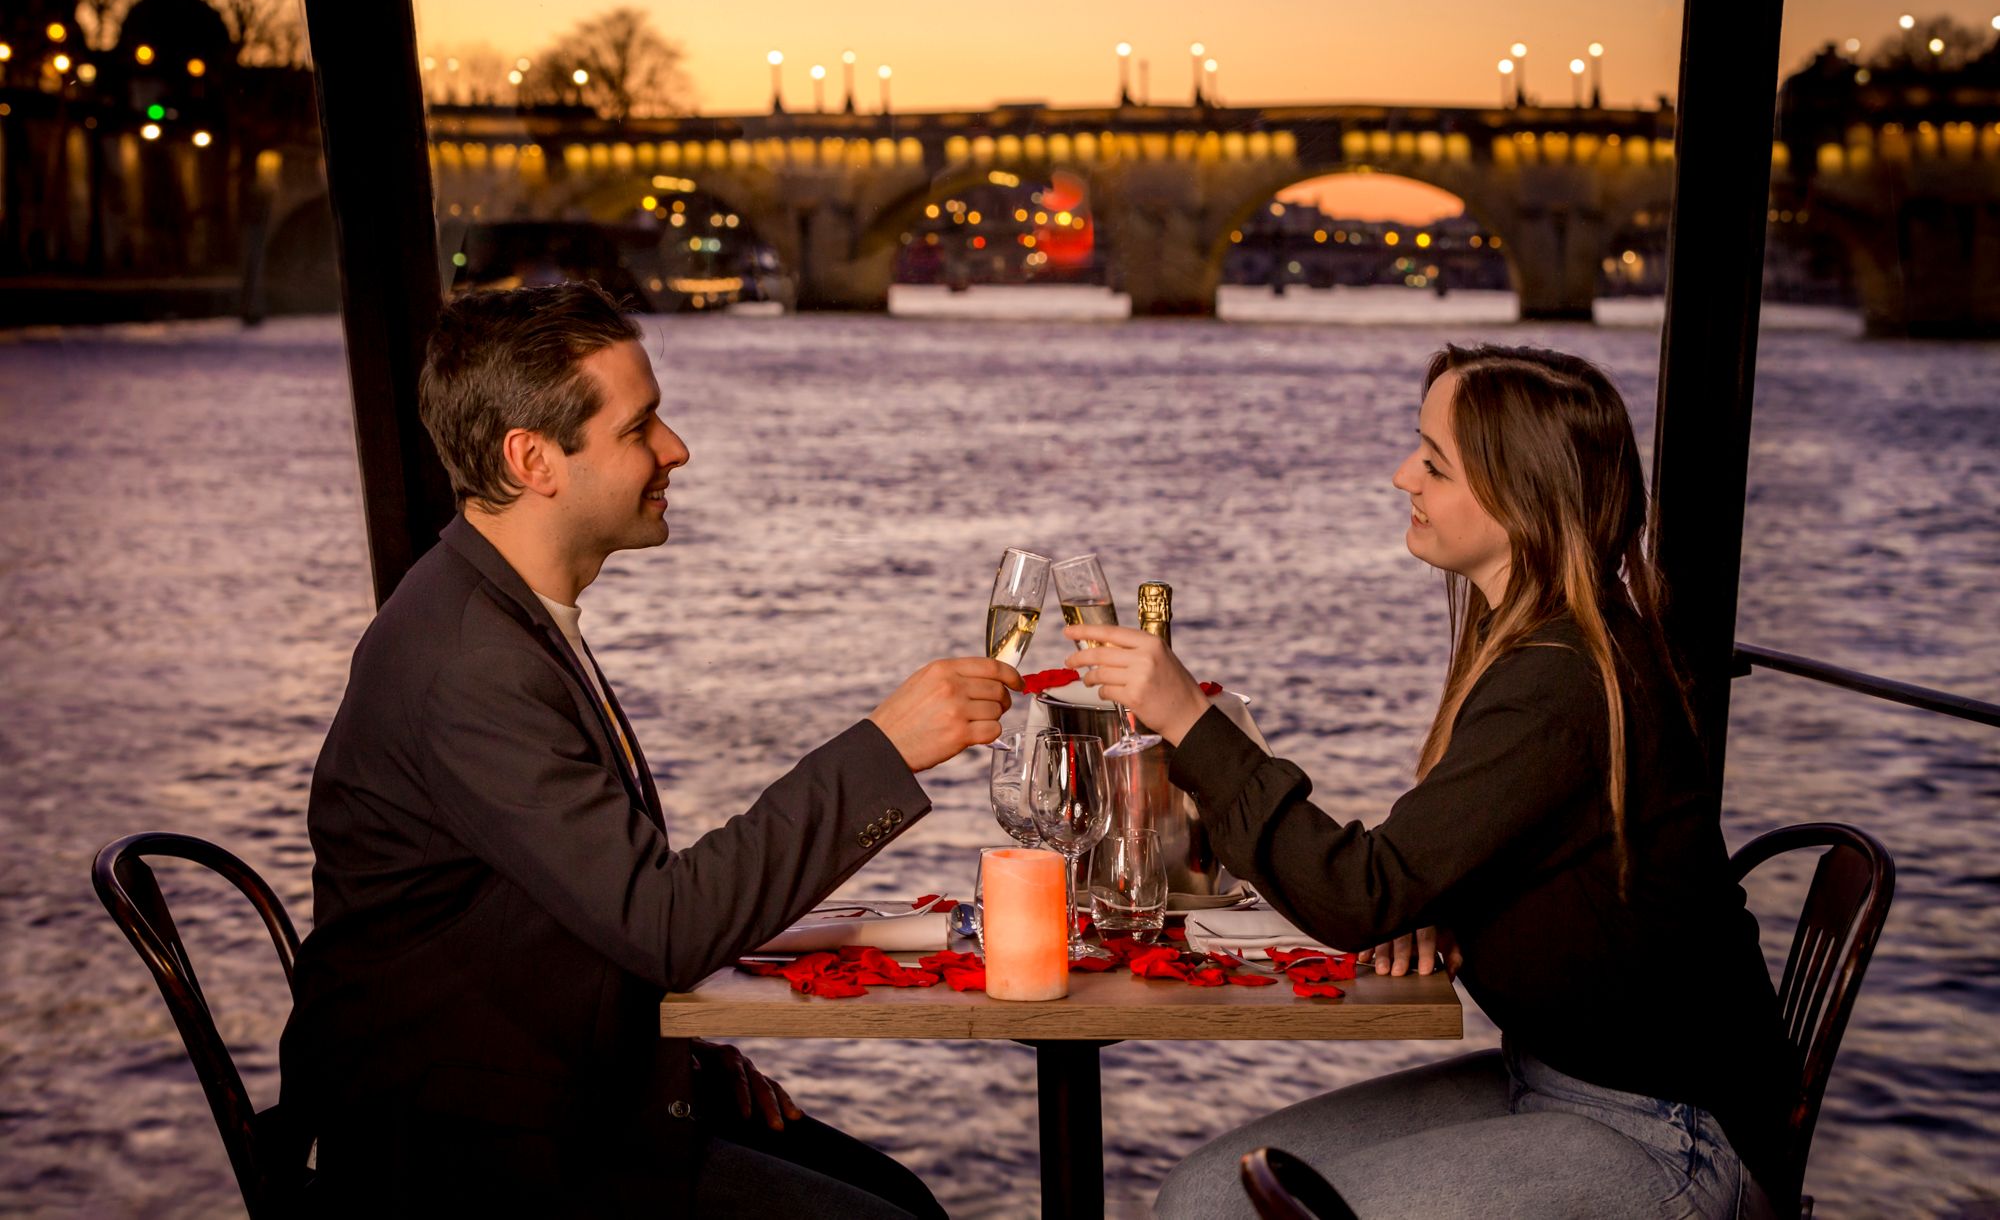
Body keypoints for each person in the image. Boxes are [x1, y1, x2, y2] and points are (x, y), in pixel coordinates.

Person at [280, 281, 1019, 1216]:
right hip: (465, 1157)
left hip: (546, 1093)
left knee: (897, 1196)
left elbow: (557, 917)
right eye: (641, 428)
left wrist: (677, 1060)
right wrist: (885, 749)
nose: (676, 449)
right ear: (533, 459)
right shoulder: (472, 663)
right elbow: (661, 925)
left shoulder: (503, 619)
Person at [1067, 344, 1786, 1219]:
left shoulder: (1559, 682)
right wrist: (1447, 902)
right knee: (1202, 1196)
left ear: (1521, 498)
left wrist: (1188, 718)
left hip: (1669, 1132)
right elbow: (1426, 879)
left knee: (1247, 1215)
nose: (1403, 474)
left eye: (1435, 463)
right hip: (1554, 1079)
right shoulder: (1537, 646)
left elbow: (1357, 895)